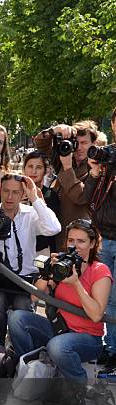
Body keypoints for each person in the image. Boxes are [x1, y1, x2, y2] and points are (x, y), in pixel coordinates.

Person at [9, 220, 111, 387]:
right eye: (71, 240)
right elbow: (34, 298)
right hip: (59, 328)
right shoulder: (64, 264)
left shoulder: (100, 270)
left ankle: (80, 389)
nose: (75, 246)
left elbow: (96, 315)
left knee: (57, 346)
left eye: (81, 241)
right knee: (16, 318)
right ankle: (34, 370)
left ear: (92, 243)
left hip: (88, 337)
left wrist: (76, 283)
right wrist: (48, 272)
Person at [0, 173, 61, 348]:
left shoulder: (30, 214)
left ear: (23, 194)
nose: (10, 197)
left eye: (16, 192)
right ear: (0, 191)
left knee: (21, 308)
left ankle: (21, 356)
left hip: (25, 282)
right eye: (6, 191)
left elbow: (54, 228)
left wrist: (35, 197)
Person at [34, 120, 98, 249]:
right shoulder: (65, 155)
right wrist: (56, 130)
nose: (79, 147)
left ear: (93, 144)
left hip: (82, 237)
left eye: (84, 143)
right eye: (76, 143)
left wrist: (67, 167)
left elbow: (82, 197)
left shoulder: (97, 166)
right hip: (59, 233)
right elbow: (40, 143)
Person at [82, 139, 116, 371]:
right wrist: (94, 171)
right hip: (103, 236)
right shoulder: (108, 155)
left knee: (115, 299)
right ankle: (110, 347)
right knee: (103, 297)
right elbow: (88, 198)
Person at [23, 150, 61, 254]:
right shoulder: (14, 192)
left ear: (45, 171)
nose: (33, 171)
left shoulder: (51, 195)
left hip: (41, 251)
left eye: (38, 167)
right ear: (24, 168)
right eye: (30, 166)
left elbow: (52, 229)